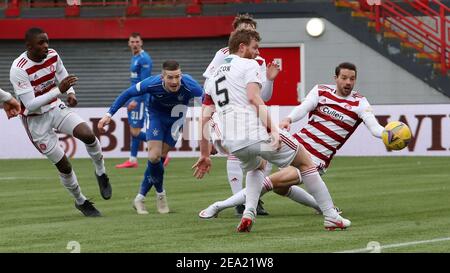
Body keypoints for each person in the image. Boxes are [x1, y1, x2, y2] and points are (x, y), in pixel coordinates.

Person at [193, 29, 351, 232]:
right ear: (241, 47)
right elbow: (254, 97)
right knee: (305, 161)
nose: (257, 53)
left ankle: (249, 212)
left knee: (256, 168)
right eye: (254, 48)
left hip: (233, 142)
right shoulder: (249, 64)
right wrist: (273, 130)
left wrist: (204, 154)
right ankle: (331, 215)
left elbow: (205, 115)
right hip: (256, 132)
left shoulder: (213, 76)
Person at [199, 62, 387, 220]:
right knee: (279, 187)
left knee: (269, 182)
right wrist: (288, 119)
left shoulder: (360, 102)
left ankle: (219, 206)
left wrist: (387, 133)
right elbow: (304, 107)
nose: (348, 82)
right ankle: (322, 206)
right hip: (296, 144)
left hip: (317, 158)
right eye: (344, 78)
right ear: (335, 78)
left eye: (352, 78)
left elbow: (374, 127)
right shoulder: (321, 91)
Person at [9, 27, 111, 217]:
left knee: (88, 134)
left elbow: (63, 75)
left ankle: (101, 172)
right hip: (35, 121)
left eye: (47, 41)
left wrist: (71, 93)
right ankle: (81, 201)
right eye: (41, 43)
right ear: (29, 46)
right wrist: (60, 90)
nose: (46, 46)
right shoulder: (19, 69)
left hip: (56, 108)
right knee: (64, 165)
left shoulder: (53, 55)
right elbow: (30, 105)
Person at [98, 60, 203, 215]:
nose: (174, 81)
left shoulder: (191, 85)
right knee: (154, 157)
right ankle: (161, 195)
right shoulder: (151, 83)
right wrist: (109, 114)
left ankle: (139, 198)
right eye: (170, 77)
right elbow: (128, 93)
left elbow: (207, 104)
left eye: (177, 77)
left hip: (177, 120)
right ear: (162, 77)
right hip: (156, 117)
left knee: (159, 158)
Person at [203, 13, 281, 216]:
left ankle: (250, 199)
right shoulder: (223, 53)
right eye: (242, 28)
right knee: (238, 154)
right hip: (230, 112)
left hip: (252, 113)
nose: (246, 32)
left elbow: (262, 95)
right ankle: (241, 200)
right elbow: (209, 84)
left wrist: (270, 80)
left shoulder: (259, 60)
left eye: (250, 28)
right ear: (235, 34)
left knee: (262, 158)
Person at [116, 32, 155, 169]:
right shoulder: (135, 57)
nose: (134, 44)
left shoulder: (144, 59)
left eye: (137, 42)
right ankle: (132, 159)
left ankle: (160, 148)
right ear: (129, 43)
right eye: (132, 42)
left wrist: (136, 100)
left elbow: (144, 83)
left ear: (141, 42)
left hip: (140, 99)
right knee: (134, 129)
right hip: (134, 97)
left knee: (135, 132)